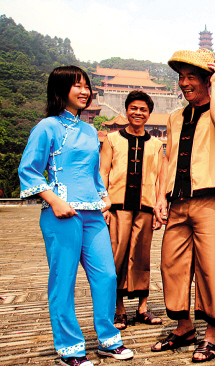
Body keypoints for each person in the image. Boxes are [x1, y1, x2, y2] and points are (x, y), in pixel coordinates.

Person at [18, 66, 134, 366]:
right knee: (63, 280)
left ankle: (108, 340)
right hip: (62, 214)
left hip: (93, 215)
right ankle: (69, 348)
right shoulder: (47, 127)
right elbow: (28, 170)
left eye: (87, 86)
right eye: (77, 86)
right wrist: (54, 200)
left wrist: (104, 197)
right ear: (60, 90)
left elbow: (93, 173)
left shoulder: (88, 130)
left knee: (107, 276)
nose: (85, 91)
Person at [151, 49, 215, 363]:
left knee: (213, 265)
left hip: (210, 201)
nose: (185, 83)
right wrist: (160, 197)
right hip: (178, 201)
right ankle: (184, 327)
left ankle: (213, 335)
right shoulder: (175, 118)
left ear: (206, 80)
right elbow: (168, 159)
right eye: (182, 78)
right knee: (171, 264)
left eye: (191, 77)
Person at [99, 90, 164, 330]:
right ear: (126, 110)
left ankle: (142, 308)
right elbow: (103, 172)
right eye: (133, 108)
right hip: (117, 207)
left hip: (145, 207)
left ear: (149, 114)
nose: (138, 113)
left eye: (143, 109)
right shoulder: (112, 139)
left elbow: (159, 179)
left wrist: (159, 206)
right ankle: (118, 310)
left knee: (142, 257)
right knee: (117, 256)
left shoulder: (157, 145)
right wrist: (103, 203)